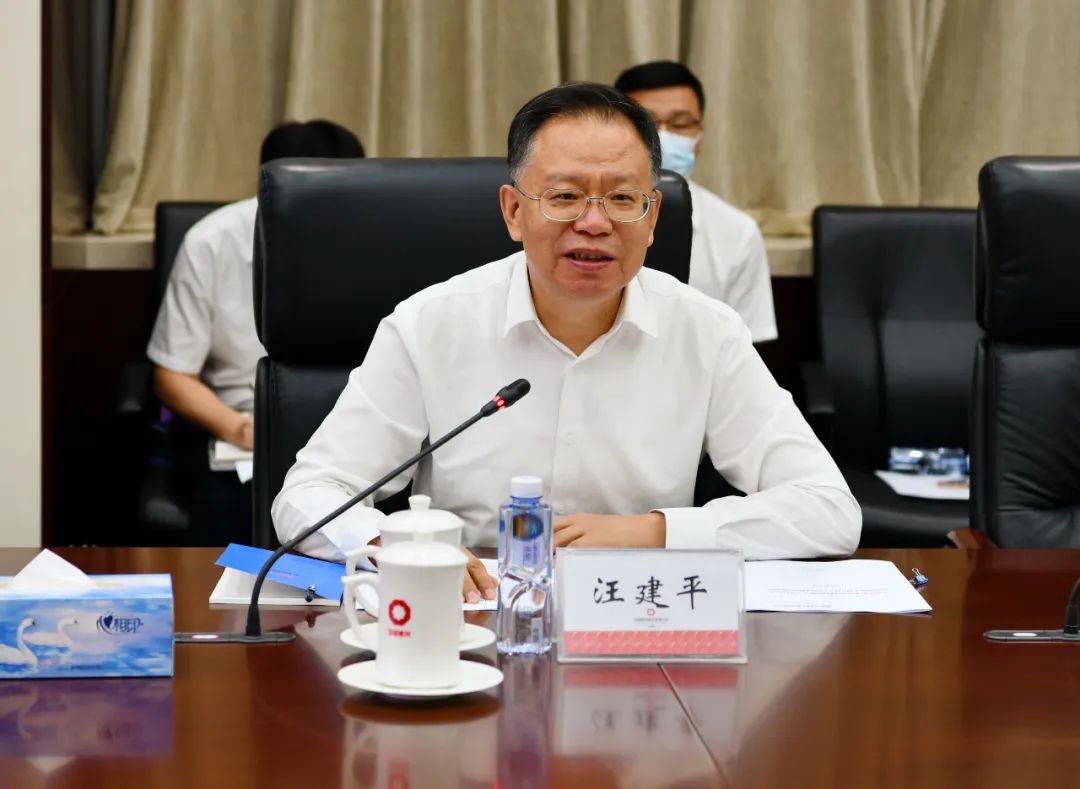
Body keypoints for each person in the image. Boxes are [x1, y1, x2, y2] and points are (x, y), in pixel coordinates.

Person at [273, 83, 860, 601]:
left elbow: (829, 509)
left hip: (638, 621)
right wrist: (401, 547)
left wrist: (655, 532)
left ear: (653, 217)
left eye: (622, 199)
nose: (595, 223)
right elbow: (308, 495)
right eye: (565, 196)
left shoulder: (707, 332)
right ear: (513, 211)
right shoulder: (429, 325)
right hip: (467, 623)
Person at [147, 120, 364, 542]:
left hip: (353, 432)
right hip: (241, 434)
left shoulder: (377, 239)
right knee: (235, 516)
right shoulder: (211, 242)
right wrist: (238, 428)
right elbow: (172, 374)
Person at [615, 61, 777, 343]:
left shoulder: (737, 232)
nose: (663, 137)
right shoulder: (584, 217)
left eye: (680, 124)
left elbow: (747, 348)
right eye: (648, 124)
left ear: (700, 136)